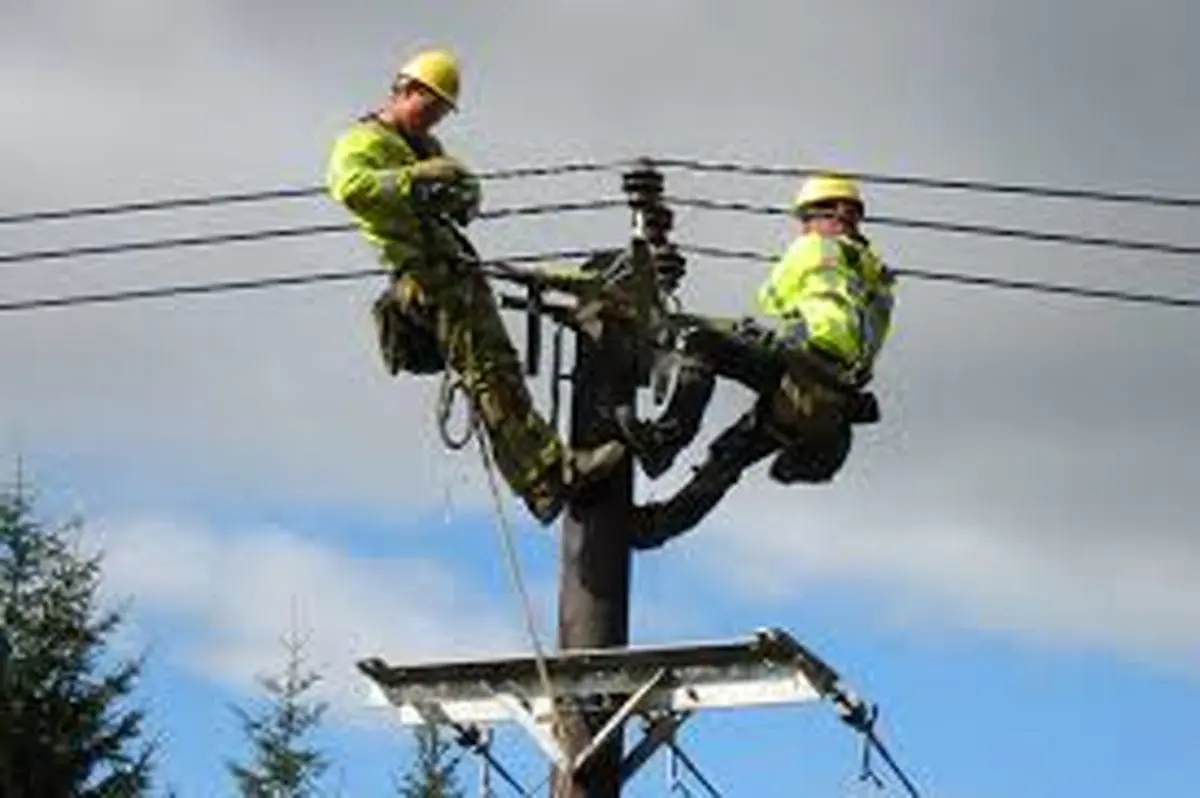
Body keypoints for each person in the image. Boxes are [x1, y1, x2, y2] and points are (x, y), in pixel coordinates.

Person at [325, 48, 626, 525]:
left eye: (442, 113)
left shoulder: (428, 149)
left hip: (456, 272)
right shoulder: (363, 141)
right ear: (404, 91)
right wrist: (415, 182)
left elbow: (460, 191)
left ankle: (543, 480)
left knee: (498, 370)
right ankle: (547, 473)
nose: (434, 120)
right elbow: (352, 189)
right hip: (425, 277)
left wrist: (461, 192)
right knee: (489, 372)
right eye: (430, 107)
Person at [619, 173, 897, 548]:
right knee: (727, 460)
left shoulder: (815, 248)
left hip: (804, 364)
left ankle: (663, 443)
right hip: (830, 404)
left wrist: (780, 320)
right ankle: (653, 529)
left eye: (807, 218)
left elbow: (773, 296)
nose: (804, 228)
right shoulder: (878, 280)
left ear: (835, 214)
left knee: (703, 344)